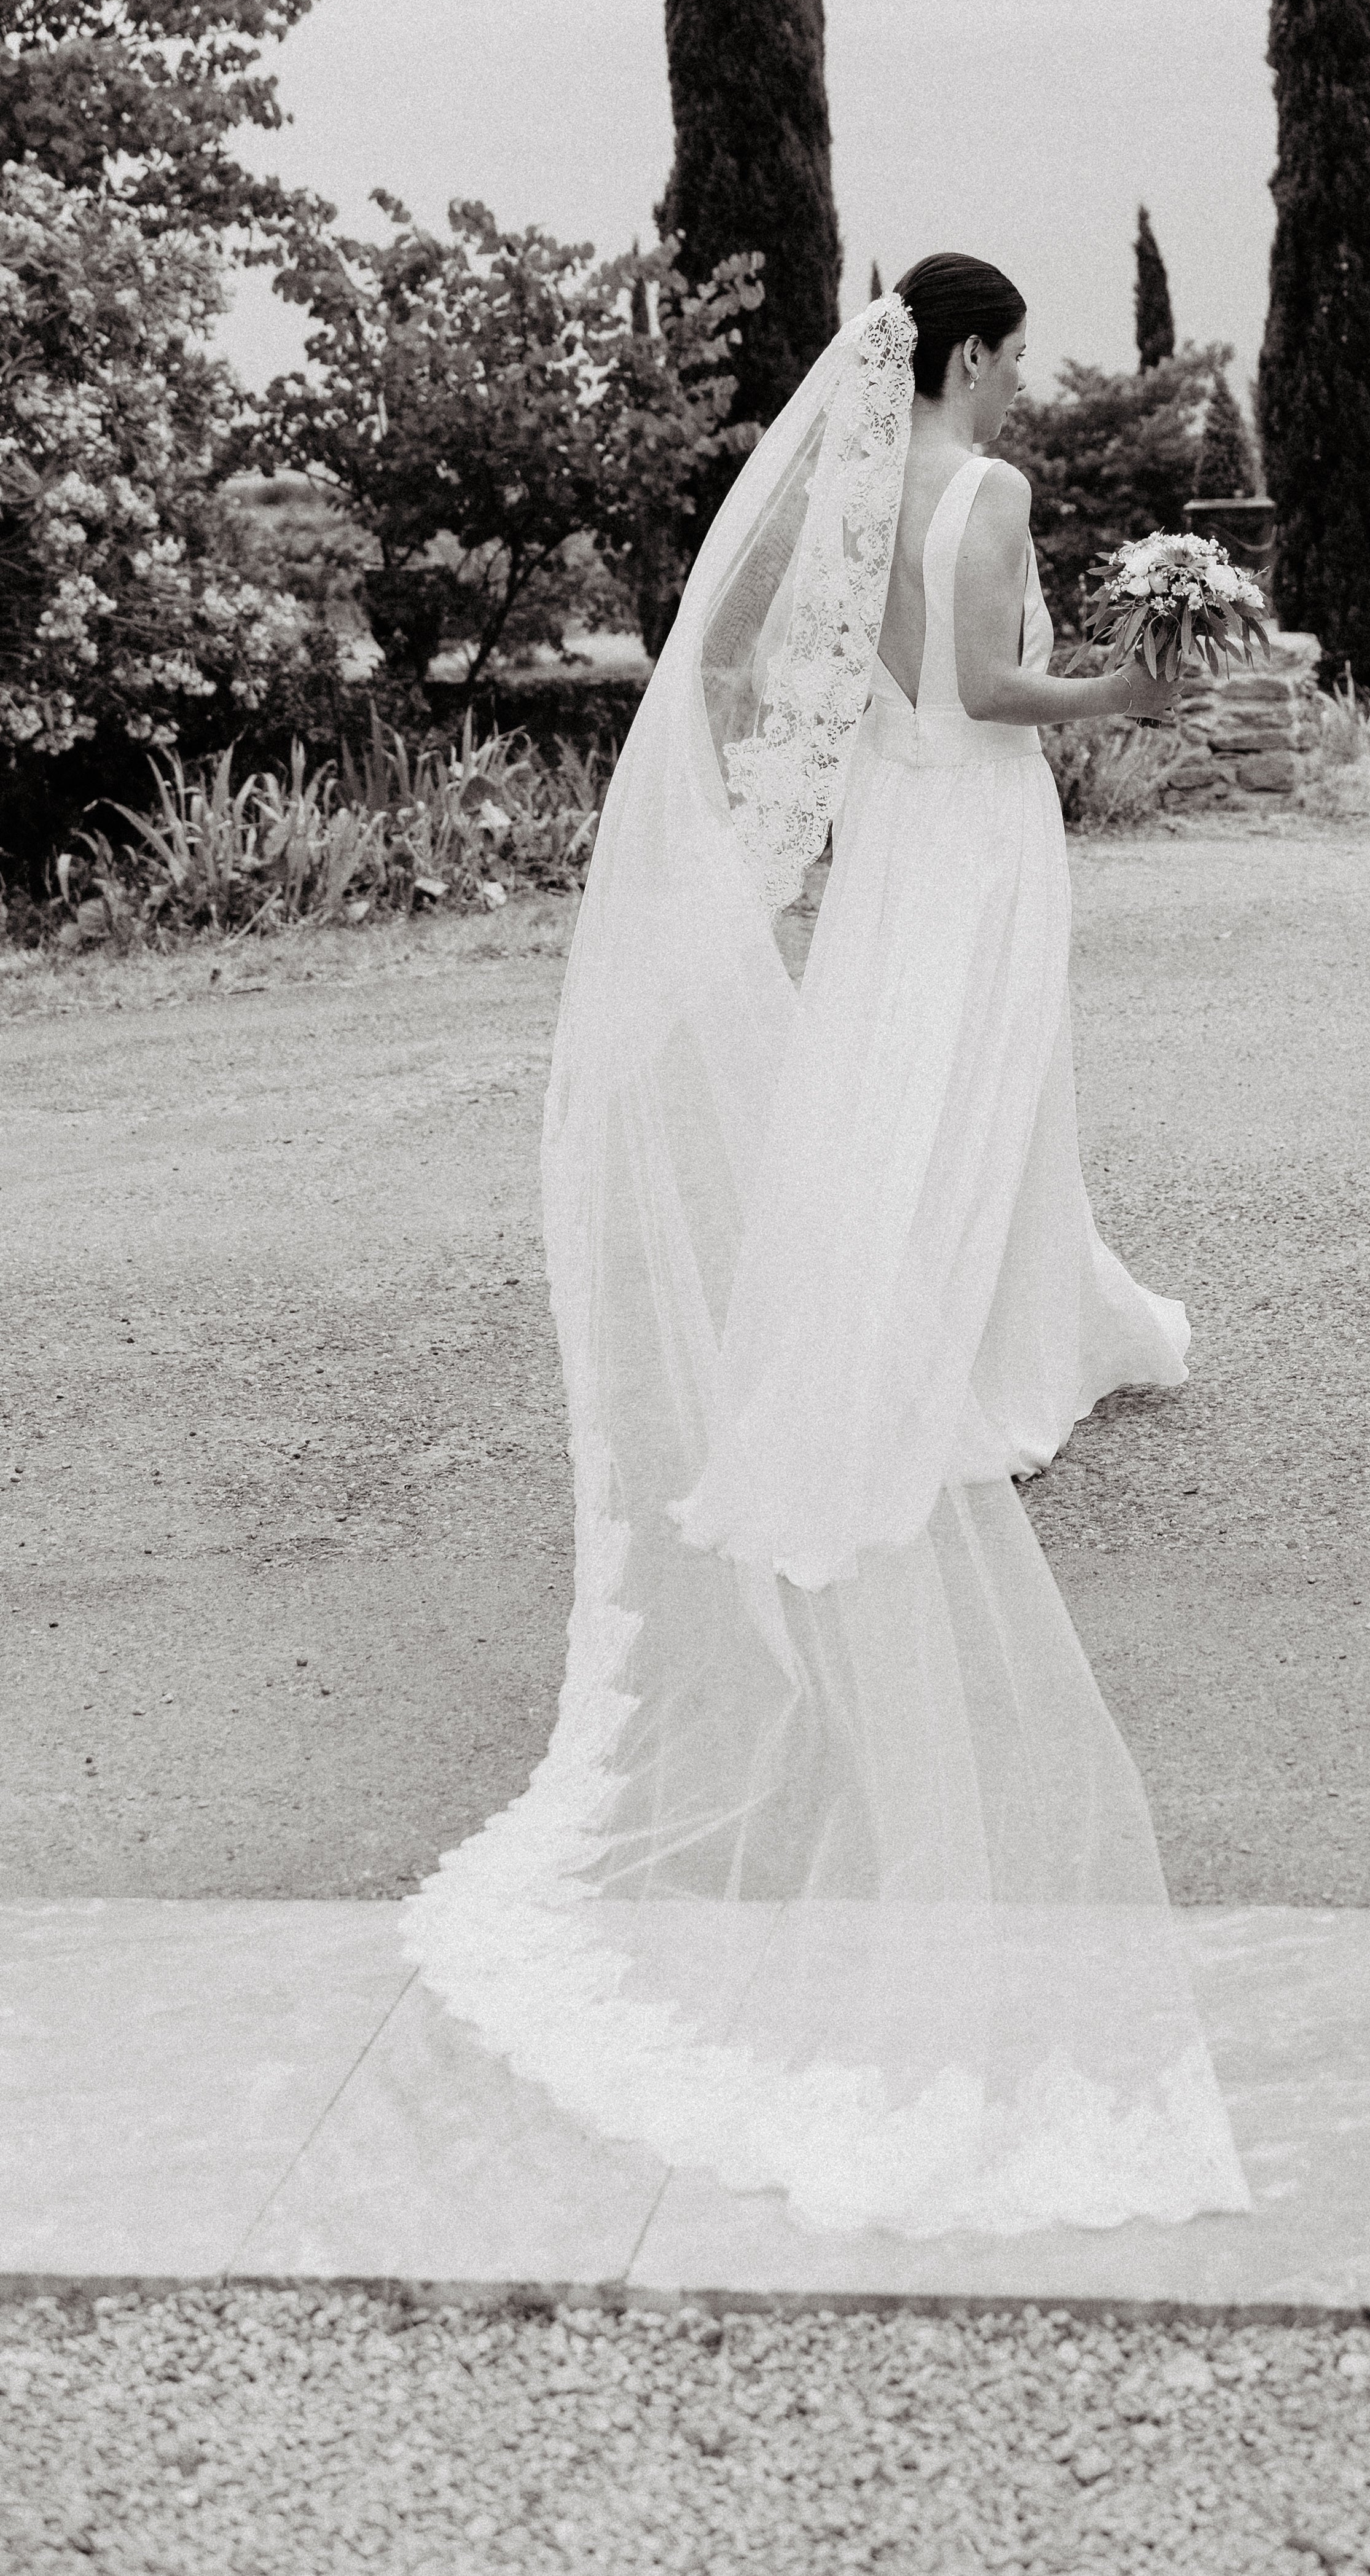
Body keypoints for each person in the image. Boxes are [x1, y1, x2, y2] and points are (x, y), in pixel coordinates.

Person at [402, 256, 1256, 2241]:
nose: (1024, 377)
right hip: (973, 828)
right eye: (1015, 347)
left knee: (916, 1092)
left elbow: (866, 690)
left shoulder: (857, 499)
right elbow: (976, 697)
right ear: (966, 355)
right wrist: (1127, 688)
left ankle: (1007, 1320)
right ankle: (970, 1356)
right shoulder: (993, 497)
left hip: (897, 836)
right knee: (976, 1095)